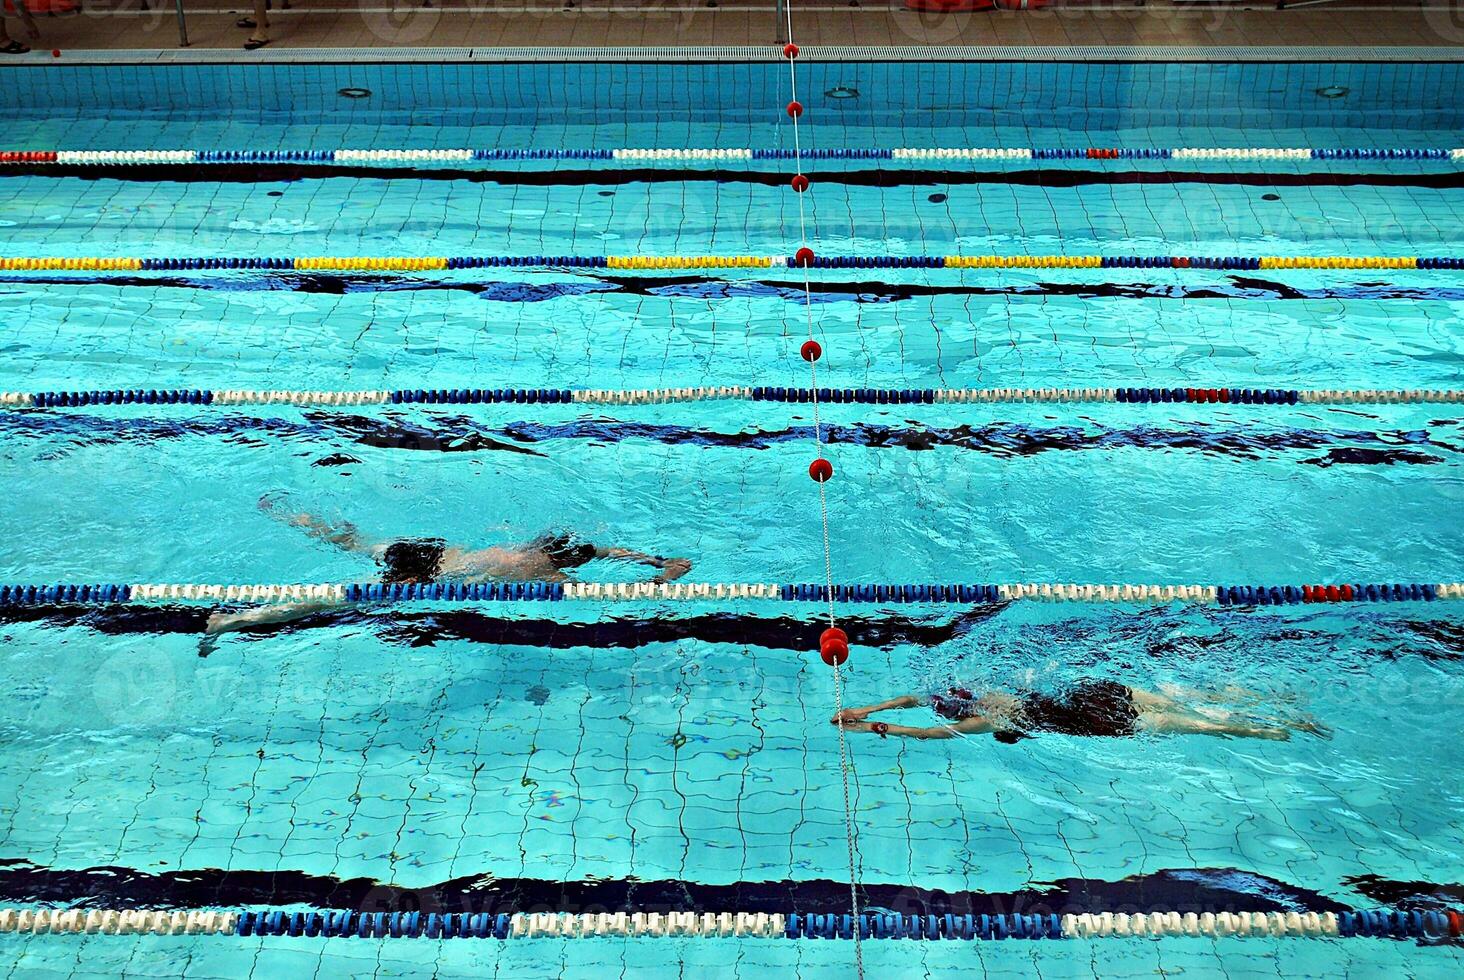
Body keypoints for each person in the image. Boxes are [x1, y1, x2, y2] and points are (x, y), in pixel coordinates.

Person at [198, 493, 693, 653]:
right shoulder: (554, 579)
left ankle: (299, 517)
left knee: (354, 540)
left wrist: (656, 561)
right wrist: (663, 576)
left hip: (432, 552)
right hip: (428, 580)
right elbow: (625, 591)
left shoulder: (536, 552)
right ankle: (232, 621)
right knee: (336, 601)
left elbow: (608, 550)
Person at [831, 679, 1330, 742]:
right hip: (1109, 716)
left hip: (1107, 700)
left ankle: (1270, 710)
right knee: (1195, 721)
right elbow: (927, 733)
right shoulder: (994, 716)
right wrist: (870, 725)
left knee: (1192, 702)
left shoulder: (975, 696)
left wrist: (866, 706)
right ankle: (1268, 728)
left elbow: (917, 700)